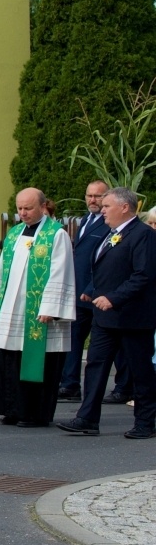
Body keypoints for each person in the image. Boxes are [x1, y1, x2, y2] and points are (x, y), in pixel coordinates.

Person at [57, 187, 156, 439]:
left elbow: (142, 275)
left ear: (125, 207)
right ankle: (87, 418)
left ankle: (145, 422)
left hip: (132, 318)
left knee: (139, 370)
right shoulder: (112, 233)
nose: (102, 211)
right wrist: (91, 290)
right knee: (96, 366)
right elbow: (105, 269)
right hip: (105, 318)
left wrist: (113, 298)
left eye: (107, 206)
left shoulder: (143, 235)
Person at [0, 188, 75, 428]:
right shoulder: (14, 233)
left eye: (28, 208)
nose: (23, 213)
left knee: (34, 360)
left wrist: (51, 307)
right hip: (11, 309)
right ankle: (11, 409)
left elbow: (61, 271)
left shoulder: (56, 235)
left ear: (43, 206)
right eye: (19, 208)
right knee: (10, 358)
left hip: (38, 313)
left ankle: (34, 413)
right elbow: (2, 270)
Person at [60, 180, 110, 403]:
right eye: (89, 195)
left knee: (111, 344)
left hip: (99, 293)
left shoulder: (109, 223)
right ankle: (70, 384)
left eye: (98, 196)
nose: (92, 200)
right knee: (73, 339)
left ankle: (124, 387)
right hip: (79, 293)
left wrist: (92, 287)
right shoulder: (86, 221)